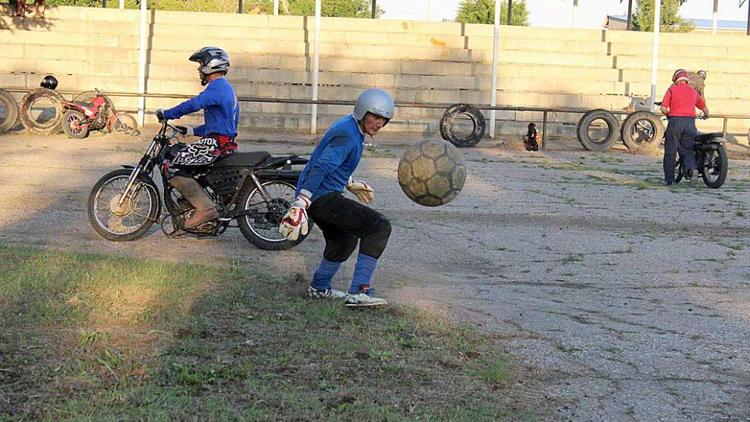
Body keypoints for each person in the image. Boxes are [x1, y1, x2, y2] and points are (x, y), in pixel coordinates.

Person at [279, 88, 394, 307]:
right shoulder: (348, 134)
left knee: (344, 239)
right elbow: (321, 166)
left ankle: (319, 288)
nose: (379, 123)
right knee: (378, 227)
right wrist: (301, 203)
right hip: (320, 197)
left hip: (321, 195)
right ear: (363, 111)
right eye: (375, 116)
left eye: (384, 120)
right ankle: (359, 292)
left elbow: (331, 160)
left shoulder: (351, 128)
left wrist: (349, 182)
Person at [156, 46, 240, 228]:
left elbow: (194, 104)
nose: (199, 68)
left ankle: (205, 209)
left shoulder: (216, 87)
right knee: (190, 166)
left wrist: (168, 113)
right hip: (221, 141)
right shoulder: (225, 88)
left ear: (211, 65)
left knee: (172, 164)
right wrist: (192, 131)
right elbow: (219, 126)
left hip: (216, 144)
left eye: (201, 63)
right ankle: (192, 204)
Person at [659, 68, 709, 186]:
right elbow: (704, 107)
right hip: (690, 123)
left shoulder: (672, 89)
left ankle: (669, 179)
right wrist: (707, 115)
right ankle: (692, 170)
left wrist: (667, 112)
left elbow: (663, 108)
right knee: (687, 150)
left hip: (675, 122)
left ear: (676, 79)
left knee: (670, 151)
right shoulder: (693, 92)